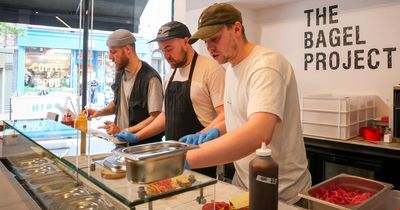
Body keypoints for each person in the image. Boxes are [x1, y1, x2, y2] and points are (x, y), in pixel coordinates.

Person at [180, 3, 312, 204]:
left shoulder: (265, 66)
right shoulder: (232, 68)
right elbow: (240, 117)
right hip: (243, 185)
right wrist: (213, 132)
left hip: (281, 192)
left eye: (215, 39)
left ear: (236, 29)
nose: (210, 48)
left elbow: (259, 133)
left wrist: (186, 159)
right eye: (206, 42)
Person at [115, 21, 225, 178]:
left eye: (169, 49)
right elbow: (165, 116)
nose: (166, 56)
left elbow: (225, 114)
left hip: (201, 157)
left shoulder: (211, 70)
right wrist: (137, 136)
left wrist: (201, 135)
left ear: (186, 42)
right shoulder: (170, 74)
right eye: (162, 51)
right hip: (173, 157)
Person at [87, 29, 164, 144]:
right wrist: (99, 112)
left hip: (142, 148)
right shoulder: (120, 73)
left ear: (128, 49)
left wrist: (126, 131)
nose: (110, 57)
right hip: (120, 143)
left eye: (114, 52)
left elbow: (156, 117)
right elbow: (117, 103)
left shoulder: (150, 78)